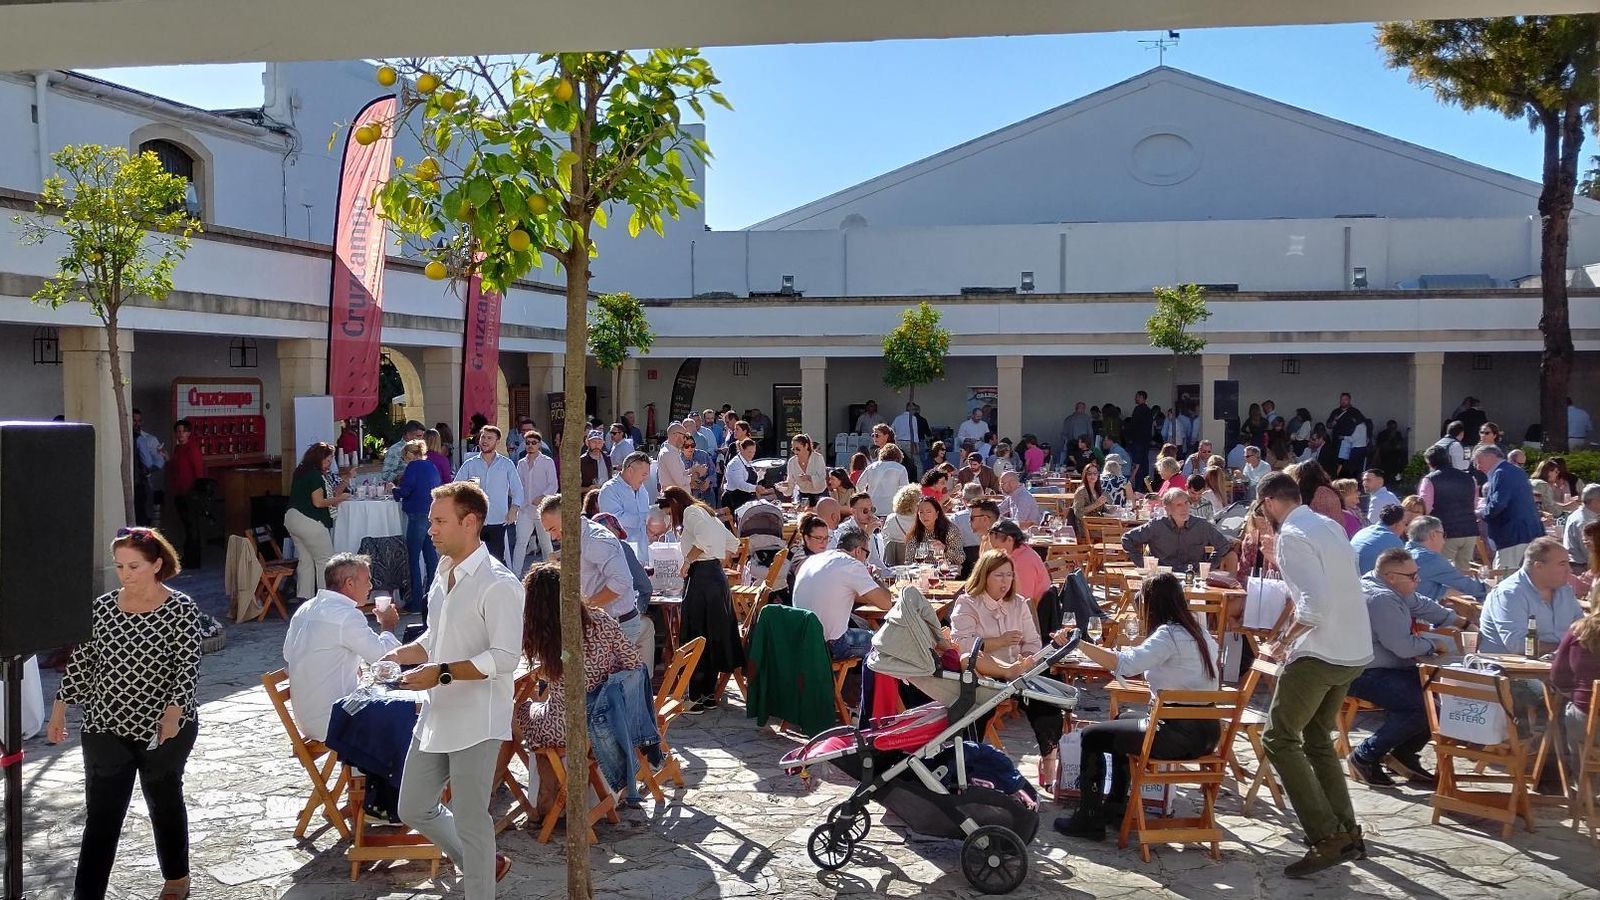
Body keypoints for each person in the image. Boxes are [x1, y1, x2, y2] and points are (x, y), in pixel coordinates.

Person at [381, 481, 522, 895]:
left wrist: (440, 672)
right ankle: (483, 863)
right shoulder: (443, 571)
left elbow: (504, 659)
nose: (431, 530)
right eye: (430, 522)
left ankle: (480, 883)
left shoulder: (499, 583)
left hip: (478, 718)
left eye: (440, 521)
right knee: (411, 806)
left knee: (471, 818)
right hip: (437, 711)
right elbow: (435, 637)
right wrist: (401, 654)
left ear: (471, 522)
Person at [48, 527, 203, 900]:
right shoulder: (101, 609)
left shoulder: (181, 609)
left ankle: (176, 878)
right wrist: (59, 709)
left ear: (157, 564)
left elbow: (188, 667)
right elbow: (83, 663)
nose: (126, 574)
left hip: (165, 726)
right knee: (102, 814)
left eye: (134, 566)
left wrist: (174, 712)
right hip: (105, 724)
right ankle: (87, 894)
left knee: (163, 800)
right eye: (120, 566)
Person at [1254, 472, 1373, 878]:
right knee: (1318, 738)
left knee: (1279, 738)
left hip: (1320, 653)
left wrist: (1285, 642)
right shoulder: (1328, 524)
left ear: (1270, 502)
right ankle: (1347, 831)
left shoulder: (1291, 534)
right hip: (1353, 649)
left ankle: (1327, 836)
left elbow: (1314, 605)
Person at [1054, 572, 1221, 842]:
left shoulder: (1168, 635)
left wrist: (1078, 643)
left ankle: (1089, 818)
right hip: (1207, 733)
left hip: (1176, 736)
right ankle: (1117, 806)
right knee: (1123, 718)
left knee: (1091, 736)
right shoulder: (1198, 631)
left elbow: (1124, 665)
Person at [1345, 548, 1462, 787]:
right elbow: (1403, 647)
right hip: (1365, 674)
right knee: (1424, 707)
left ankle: (1403, 755)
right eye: (1412, 576)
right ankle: (1364, 755)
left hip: (1381, 669)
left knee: (1438, 698)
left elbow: (1420, 604)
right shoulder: (1382, 599)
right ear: (1391, 577)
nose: (1417, 580)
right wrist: (1435, 643)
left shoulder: (1388, 586)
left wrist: (1459, 620)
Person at [515, 562, 642, 763]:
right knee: (538, 706)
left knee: (513, 713)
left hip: (569, 727)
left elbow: (557, 669)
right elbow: (634, 662)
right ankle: (549, 779)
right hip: (610, 720)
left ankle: (500, 783)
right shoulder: (601, 618)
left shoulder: (553, 637)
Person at [950, 549, 1064, 757]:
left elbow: (1033, 641)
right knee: (978, 696)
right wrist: (998, 642)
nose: (1006, 581)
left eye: (1009, 575)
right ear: (984, 576)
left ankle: (1049, 760)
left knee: (1046, 699)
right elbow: (960, 644)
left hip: (1019, 671)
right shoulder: (967, 603)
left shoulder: (1018, 603)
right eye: (999, 575)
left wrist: (1027, 655)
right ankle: (968, 759)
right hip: (986, 674)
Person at [282, 553, 402, 742]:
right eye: (367, 580)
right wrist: (388, 625)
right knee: (404, 713)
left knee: (389, 699)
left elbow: (290, 655)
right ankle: (377, 770)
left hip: (308, 720)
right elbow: (383, 657)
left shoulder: (306, 608)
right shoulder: (346, 615)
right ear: (350, 584)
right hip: (334, 720)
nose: (370, 587)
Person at [538, 495, 654, 669]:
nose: (554, 537)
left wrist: (583, 607)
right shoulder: (577, 537)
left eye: (553, 529)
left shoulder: (596, 540)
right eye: (549, 532)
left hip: (617, 624)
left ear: (568, 516)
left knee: (605, 688)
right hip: (599, 624)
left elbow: (621, 583)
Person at [658, 486, 744, 711]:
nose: (670, 517)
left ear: (674, 504)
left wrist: (688, 561)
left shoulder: (691, 513)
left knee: (696, 633)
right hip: (716, 577)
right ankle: (707, 694)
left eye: (668, 511)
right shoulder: (709, 514)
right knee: (712, 634)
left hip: (702, 577)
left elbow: (704, 540)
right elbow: (733, 545)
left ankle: (696, 696)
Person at [793, 524, 894, 661]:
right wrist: (875, 577)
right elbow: (886, 603)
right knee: (887, 643)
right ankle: (880, 683)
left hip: (800, 640)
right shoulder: (851, 565)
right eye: (867, 554)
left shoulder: (814, 559)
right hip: (830, 644)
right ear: (858, 551)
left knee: (870, 632)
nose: (866, 559)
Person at [1477, 537, 1584, 657]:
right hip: (1512, 670)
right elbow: (1518, 645)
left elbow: (1581, 627)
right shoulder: (1509, 594)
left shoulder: (1564, 590)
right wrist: (1565, 647)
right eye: (1562, 564)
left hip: (1555, 664)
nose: (1569, 570)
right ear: (1538, 566)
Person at [285, 442, 349, 601]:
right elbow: (318, 502)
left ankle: (304, 599)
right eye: (327, 460)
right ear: (318, 459)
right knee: (325, 561)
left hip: (292, 518)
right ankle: (326, 600)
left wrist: (345, 482)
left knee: (305, 561)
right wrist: (339, 499)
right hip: (309, 520)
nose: (329, 464)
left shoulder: (300, 471)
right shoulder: (315, 475)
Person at [1120, 488, 1237, 573]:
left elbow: (1223, 544)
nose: (1185, 508)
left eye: (1186, 503)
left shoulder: (1201, 525)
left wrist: (1209, 565)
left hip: (1192, 576)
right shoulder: (1157, 525)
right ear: (1168, 509)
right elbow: (1127, 539)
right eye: (1179, 505)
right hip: (1164, 577)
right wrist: (1142, 563)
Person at [394, 439, 444, 612]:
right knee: (431, 558)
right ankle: (432, 598)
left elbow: (406, 490)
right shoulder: (430, 466)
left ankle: (415, 601)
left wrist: (394, 490)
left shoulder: (413, 467)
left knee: (413, 558)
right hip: (430, 514)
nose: (404, 460)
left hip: (416, 514)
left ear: (410, 454)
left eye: (405, 456)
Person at [1475, 444, 1542, 570]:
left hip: (1512, 535)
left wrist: (1481, 513)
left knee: (1504, 577)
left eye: (1479, 462)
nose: (1478, 467)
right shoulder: (1516, 471)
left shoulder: (1501, 473)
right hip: (1527, 532)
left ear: (1490, 457)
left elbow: (1498, 503)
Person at [1417, 445, 1480, 573]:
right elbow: (1474, 504)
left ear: (1429, 462)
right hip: (1470, 530)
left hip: (1444, 532)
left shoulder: (1429, 480)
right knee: (1463, 573)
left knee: (1440, 572)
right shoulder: (1469, 478)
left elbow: (1425, 509)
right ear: (1449, 459)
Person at [1406, 516, 1489, 603]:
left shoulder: (1404, 553)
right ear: (1433, 535)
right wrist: (1489, 588)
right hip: (1421, 612)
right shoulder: (1430, 558)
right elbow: (1466, 586)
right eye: (1443, 535)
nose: (1444, 541)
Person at [597, 452, 655, 563]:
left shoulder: (642, 489)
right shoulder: (610, 490)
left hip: (644, 555)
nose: (646, 478)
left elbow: (646, 513)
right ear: (630, 471)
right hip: (621, 555)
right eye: (644, 474)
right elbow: (615, 520)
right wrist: (646, 519)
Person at [165, 418, 207, 570]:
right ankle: (189, 557)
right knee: (186, 526)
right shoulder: (178, 449)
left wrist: (196, 492)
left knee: (192, 526)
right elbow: (175, 469)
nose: (180, 434)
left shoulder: (192, 449)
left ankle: (194, 560)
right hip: (179, 492)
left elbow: (198, 472)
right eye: (178, 432)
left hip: (190, 493)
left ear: (189, 433)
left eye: (183, 431)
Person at [905, 495, 964, 568]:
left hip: (945, 573)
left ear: (937, 514)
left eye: (928, 512)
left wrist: (945, 549)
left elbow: (961, 558)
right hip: (921, 573)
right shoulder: (915, 533)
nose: (925, 515)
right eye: (921, 512)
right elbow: (908, 560)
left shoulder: (950, 530)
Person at [130, 408, 166, 527]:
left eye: (139, 421)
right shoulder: (127, 438)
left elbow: (159, 460)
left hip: (145, 482)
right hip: (133, 483)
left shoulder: (148, 439)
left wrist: (149, 470)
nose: (137, 424)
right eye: (134, 420)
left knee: (145, 517)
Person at [1349, 505, 1407, 575]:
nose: (1405, 528)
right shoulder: (1395, 542)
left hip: (1350, 576)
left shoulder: (1363, 532)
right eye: (1405, 523)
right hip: (1367, 582)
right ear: (1397, 523)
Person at [859, 444, 911, 519]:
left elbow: (859, 485)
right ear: (898, 457)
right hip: (892, 509)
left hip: (872, 508)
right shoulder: (901, 468)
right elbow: (905, 491)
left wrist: (866, 498)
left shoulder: (871, 467)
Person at [786, 433, 828, 505]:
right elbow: (790, 481)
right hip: (803, 495)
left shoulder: (818, 458)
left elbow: (822, 477)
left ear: (806, 446)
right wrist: (784, 486)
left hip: (819, 495)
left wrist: (809, 478)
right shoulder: (792, 462)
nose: (795, 452)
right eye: (793, 449)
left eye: (798, 449)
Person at [1564, 485, 1600, 569]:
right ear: (1595, 501)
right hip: (1583, 567)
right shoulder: (1584, 522)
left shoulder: (1579, 513)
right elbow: (1590, 554)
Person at [1072, 460, 1109, 527]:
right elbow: (1078, 512)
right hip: (1085, 526)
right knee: (1114, 533)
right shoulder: (1081, 491)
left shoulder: (1098, 489)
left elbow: (1103, 510)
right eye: (1089, 474)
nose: (1092, 476)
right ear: (1085, 475)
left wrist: (1115, 509)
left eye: (1095, 473)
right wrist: (1095, 504)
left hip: (1097, 523)